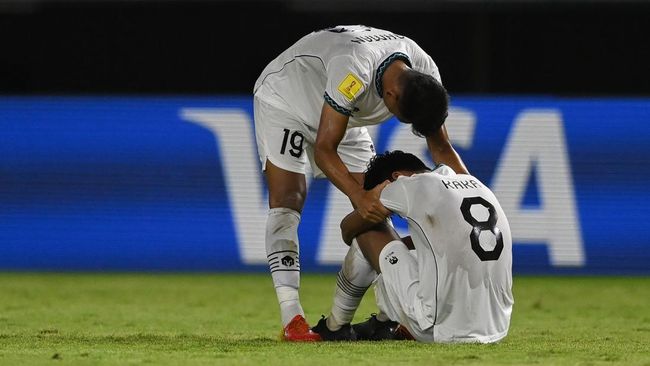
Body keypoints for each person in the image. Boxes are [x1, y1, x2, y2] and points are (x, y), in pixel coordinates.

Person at [253, 25, 468, 341]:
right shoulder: (354, 66)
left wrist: (473, 197)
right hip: (287, 100)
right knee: (289, 197)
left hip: (342, 115)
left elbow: (442, 147)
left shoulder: (425, 71)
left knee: (375, 213)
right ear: (391, 94)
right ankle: (292, 318)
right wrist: (359, 195)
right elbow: (325, 149)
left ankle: (364, 321)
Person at [312, 150, 513, 343]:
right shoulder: (472, 182)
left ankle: (335, 326)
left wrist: (368, 224)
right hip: (499, 324)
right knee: (419, 246)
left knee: (369, 230)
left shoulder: (407, 184)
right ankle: (384, 322)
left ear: (396, 176)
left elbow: (348, 227)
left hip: (440, 328)